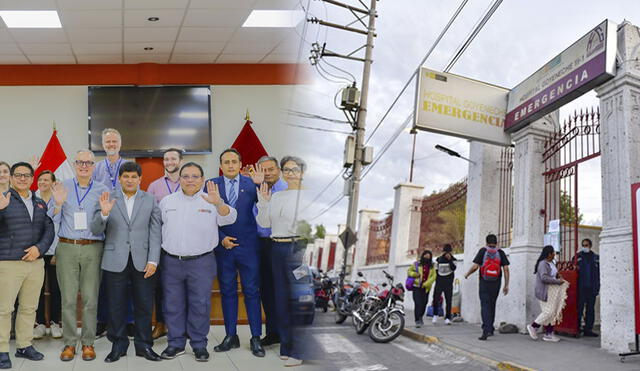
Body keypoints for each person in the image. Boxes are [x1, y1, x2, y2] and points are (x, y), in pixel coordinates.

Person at [159, 162, 236, 362]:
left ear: (202, 180)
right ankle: (175, 344)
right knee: (172, 305)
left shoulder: (211, 201)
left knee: (200, 305)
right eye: (186, 176)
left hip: (202, 262)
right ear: (180, 179)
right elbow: (158, 229)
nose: (190, 180)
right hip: (171, 262)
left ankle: (199, 345)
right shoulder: (167, 202)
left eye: (195, 176)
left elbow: (230, 218)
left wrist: (218, 203)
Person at [90, 161, 162, 362]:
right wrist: (104, 213)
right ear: (120, 179)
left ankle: (144, 346)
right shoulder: (107, 198)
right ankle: (118, 345)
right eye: (126, 176)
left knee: (144, 305)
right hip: (115, 259)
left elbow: (155, 232)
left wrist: (154, 260)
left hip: (143, 261)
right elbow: (95, 229)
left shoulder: (150, 199)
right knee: (115, 305)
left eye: (134, 177)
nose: (130, 180)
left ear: (140, 179)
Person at [51, 149, 110, 361]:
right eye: (80, 162)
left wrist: (104, 213)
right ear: (75, 165)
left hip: (93, 247)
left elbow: (106, 223)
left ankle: (88, 343)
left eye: (88, 163)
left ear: (94, 166)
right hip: (66, 247)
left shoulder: (103, 189)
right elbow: (51, 217)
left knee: (90, 299)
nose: (84, 166)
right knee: (67, 299)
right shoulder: (62, 186)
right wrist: (57, 204)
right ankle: (68, 344)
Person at [208, 149, 265, 357]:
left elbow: (265, 209)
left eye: (234, 161)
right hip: (224, 248)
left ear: (240, 164)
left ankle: (256, 337)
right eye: (226, 162)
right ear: (221, 165)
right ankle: (230, 335)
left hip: (249, 248)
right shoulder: (212, 185)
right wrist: (221, 237)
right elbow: (207, 217)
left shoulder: (252, 183)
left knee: (252, 292)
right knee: (227, 292)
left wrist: (260, 185)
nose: (230, 165)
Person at [0, 162, 54, 369]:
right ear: (12, 178)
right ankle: (2, 349)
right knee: (4, 309)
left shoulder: (39, 202)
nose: (23, 179)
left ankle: (24, 345)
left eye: (27, 175)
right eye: (18, 175)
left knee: (29, 308)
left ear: (32, 179)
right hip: (8, 263)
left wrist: (39, 249)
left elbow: (48, 229)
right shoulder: (3, 199)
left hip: (35, 263)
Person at [257, 155, 308, 367]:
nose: (290, 174)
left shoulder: (308, 196)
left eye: (294, 170)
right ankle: (286, 347)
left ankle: (298, 349)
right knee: (280, 300)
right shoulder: (277, 196)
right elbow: (264, 222)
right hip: (276, 247)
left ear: (302, 173)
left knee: (296, 300)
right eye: (286, 170)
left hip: (297, 248)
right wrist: (263, 202)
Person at [92, 128, 135, 338]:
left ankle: (128, 321)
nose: (111, 144)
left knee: (126, 278)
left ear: (120, 143)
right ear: (103, 145)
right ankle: (102, 320)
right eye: (107, 142)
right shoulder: (96, 168)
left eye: (114, 141)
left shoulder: (128, 165)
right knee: (102, 280)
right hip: (101, 226)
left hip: (123, 228)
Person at [146, 148, 183, 339]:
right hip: (161, 245)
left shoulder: (190, 183)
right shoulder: (154, 186)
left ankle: (180, 326)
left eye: (173, 158)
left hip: (184, 245)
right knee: (160, 288)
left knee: (181, 288)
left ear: (180, 161)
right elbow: (148, 216)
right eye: (166, 159)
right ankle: (160, 324)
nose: (169, 162)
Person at [252, 156, 288, 347]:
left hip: (281, 243)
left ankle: (286, 335)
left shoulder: (287, 190)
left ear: (278, 170)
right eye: (264, 170)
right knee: (266, 290)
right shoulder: (258, 189)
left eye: (271, 169)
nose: (268, 173)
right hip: (262, 245)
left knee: (282, 290)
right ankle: (272, 332)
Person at [464, 234, 510, 340]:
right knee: (492, 304)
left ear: (486, 242)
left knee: (485, 304)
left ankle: (486, 329)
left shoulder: (483, 251)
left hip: (484, 282)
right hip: (496, 282)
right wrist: (506, 285)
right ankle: (490, 328)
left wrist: (467, 274)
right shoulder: (501, 252)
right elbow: (506, 269)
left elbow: (475, 266)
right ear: (496, 242)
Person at [34, 171, 63, 340]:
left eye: (46, 179)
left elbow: (61, 226)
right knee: (36, 289)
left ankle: (54, 322)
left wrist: (58, 251)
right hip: (36, 251)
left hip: (54, 251)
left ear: (53, 182)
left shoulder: (59, 199)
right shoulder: (32, 198)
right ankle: (38, 324)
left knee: (55, 289)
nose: (42, 182)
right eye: (40, 179)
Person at [527, 245, 569, 342]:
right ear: (549, 254)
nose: (555, 254)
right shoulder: (543, 264)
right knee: (549, 312)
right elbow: (544, 278)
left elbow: (552, 274)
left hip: (552, 291)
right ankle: (533, 326)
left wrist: (558, 275)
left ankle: (549, 334)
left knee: (553, 312)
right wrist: (558, 281)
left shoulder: (551, 263)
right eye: (553, 252)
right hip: (545, 291)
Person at [575, 238, 599, 337]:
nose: (585, 247)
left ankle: (588, 329)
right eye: (583, 245)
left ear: (590, 246)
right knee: (579, 309)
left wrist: (597, 287)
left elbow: (599, 274)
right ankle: (576, 328)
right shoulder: (577, 257)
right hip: (581, 288)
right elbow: (573, 271)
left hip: (592, 288)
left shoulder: (596, 258)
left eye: (587, 245)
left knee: (590, 310)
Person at [406, 250, 436, 328]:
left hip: (426, 288)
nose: (427, 257)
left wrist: (426, 284)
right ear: (423, 256)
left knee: (424, 303)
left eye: (429, 256)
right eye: (425, 256)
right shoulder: (416, 264)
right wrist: (414, 274)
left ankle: (420, 317)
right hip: (416, 287)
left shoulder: (432, 266)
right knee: (418, 303)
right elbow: (409, 271)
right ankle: (417, 320)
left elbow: (433, 276)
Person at [432, 244, 457, 325]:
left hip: (448, 283)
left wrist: (450, 260)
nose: (447, 253)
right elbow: (435, 271)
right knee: (436, 299)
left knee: (448, 300)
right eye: (446, 252)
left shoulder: (454, 260)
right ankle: (435, 315)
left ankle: (448, 317)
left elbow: (453, 268)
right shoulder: (438, 260)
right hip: (439, 282)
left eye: (448, 252)